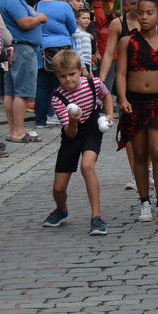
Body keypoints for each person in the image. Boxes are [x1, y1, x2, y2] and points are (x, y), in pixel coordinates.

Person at [117, 0, 158, 224]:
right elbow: (121, 73)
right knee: (141, 155)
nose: (144, 17)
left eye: (150, 13)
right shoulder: (127, 42)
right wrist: (122, 98)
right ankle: (144, 202)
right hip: (134, 103)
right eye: (141, 13)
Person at [43, 50, 113, 236]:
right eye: (62, 76)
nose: (68, 79)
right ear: (56, 76)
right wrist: (73, 119)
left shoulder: (93, 83)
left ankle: (96, 217)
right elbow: (70, 132)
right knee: (58, 187)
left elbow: (106, 95)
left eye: (72, 74)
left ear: (80, 70)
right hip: (71, 135)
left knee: (87, 166)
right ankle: (61, 210)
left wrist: (110, 114)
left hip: (91, 130)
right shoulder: (57, 98)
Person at [0, 0, 46, 144]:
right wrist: (39, 17)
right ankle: (17, 131)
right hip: (22, 48)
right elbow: (24, 22)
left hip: (15, 48)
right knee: (22, 91)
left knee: (11, 91)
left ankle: (14, 129)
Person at [34, 0, 77, 128]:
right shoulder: (63, 6)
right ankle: (63, 115)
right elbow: (73, 29)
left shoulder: (37, 6)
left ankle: (40, 119)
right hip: (61, 49)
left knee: (42, 86)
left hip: (43, 50)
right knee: (62, 85)